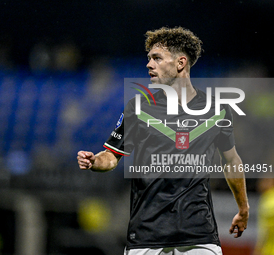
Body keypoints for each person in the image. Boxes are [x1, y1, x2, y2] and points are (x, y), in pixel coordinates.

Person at [77, 27, 249, 255]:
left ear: (180, 63)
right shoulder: (138, 108)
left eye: (157, 58)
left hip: (198, 237)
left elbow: (231, 161)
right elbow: (111, 157)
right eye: (149, 58)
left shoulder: (217, 111)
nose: (149, 64)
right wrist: (95, 161)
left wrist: (243, 208)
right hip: (146, 237)